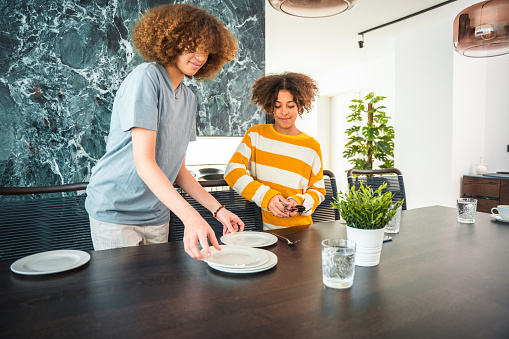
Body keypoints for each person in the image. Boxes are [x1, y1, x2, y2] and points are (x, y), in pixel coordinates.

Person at [85, 4, 244, 260]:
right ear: (172, 42)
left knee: (156, 292)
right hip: (117, 211)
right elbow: (144, 163)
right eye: (192, 45)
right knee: (125, 296)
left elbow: (178, 170)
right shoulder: (147, 77)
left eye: (206, 49)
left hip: (157, 212)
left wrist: (218, 210)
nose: (200, 56)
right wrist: (191, 217)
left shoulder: (189, 98)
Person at [224, 72, 326, 230]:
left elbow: (318, 190)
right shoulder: (256, 134)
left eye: (290, 106)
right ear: (270, 107)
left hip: (301, 230)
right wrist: (266, 196)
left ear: (299, 106)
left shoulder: (311, 146)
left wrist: (299, 202)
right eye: (278, 106)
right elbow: (232, 171)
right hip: (265, 233)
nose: (284, 111)